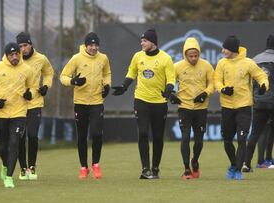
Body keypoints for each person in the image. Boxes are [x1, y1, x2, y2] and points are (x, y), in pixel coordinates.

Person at [112, 28, 175, 179]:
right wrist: (124, 86)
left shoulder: (166, 58)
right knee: (143, 133)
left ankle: (155, 168)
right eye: (141, 40)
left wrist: (168, 90)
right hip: (141, 100)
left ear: (152, 42)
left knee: (158, 136)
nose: (142, 43)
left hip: (159, 103)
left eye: (144, 40)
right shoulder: (137, 56)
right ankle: (145, 169)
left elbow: (171, 79)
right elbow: (131, 73)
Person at [214, 35, 268, 180]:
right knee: (227, 141)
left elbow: (261, 76)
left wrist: (264, 86)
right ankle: (233, 164)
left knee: (242, 139)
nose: (223, 50)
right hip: (226, 107)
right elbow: (217, 81)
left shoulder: (248, 63)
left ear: (232, 49)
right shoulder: (221, 64)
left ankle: (238, 170)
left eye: (225, 48)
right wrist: (223, 89)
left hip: (244, 106)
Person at [0, 42, 35, 188]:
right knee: (3, 147)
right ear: (6, 55)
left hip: (19, 113)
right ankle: (5, 166)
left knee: (14, 143)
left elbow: (33, 87)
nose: (15, 57)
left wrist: (29, 94)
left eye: (17, 53)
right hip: (0, 114)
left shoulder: (27, 69)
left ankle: (9, 177)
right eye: (11, 54)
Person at [60, 32, 111, 179]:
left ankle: (96, 165)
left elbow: (107, 73)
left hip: (96, 102)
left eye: (96, 45)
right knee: (82, 136)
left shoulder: (103, 58)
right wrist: (73, 81)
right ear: (86, 45)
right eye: (91, 45)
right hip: (80, 103)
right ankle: (83, 167)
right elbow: (63, 76)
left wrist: (107, 85)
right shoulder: (77, 58)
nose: (94, 48)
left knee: (96, 134)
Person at [172, 37, 214, 179]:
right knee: (185, 138)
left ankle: (194, 160)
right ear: (185, 54)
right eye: (191, 56)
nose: (194, 58)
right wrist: (171, 94)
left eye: (196, 55)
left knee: (199, 141)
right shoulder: (177, 66)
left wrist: (205, 93)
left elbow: (212, 84)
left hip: (201, 108)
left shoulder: (207, 65)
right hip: (184, 107)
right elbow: (169, 82)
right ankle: (186, 170)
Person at [16, 32, 54, 180]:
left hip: (35, 103)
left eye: (25, 45)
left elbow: (49, 73)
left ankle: (32, 167)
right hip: (18, 105)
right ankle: (22, 168)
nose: (22, 49)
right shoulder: (13, 59)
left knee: (32, 136)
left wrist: (46, 85)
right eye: (20, 46)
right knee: (20, 137)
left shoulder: (41, 59)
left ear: (31, 44)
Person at [243, 34, 274, 172]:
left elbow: (250, 83)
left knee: (255, 133)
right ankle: (265, 159)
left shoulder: (255, 59)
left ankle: (246, 163)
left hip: (259, 102)